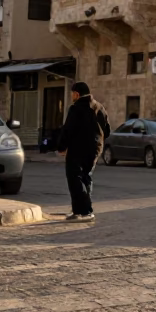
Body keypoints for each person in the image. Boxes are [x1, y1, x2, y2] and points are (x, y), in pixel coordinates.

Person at [55, 82, 111, 223]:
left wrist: (61, 147)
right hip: (95, 148)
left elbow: (68, 129)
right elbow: (107, 130)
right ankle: (78, 211)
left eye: (72, 93)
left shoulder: (76, 108)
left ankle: (85, 211)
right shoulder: (100, 107)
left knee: (75, 178)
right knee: (86, 177)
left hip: (78, 148)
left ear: (77, 94)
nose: (71, 96)